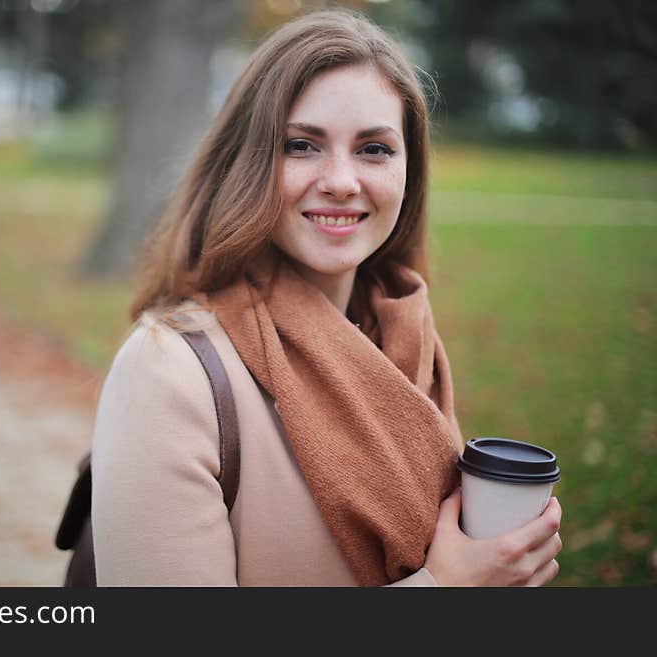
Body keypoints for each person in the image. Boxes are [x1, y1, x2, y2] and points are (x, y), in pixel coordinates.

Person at [89, 9, 563, 586]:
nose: (342, 180)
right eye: (302, 145)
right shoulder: (168, 370)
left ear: (409, 171)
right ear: (249, 162)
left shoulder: (405, 340)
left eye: (374, 149)